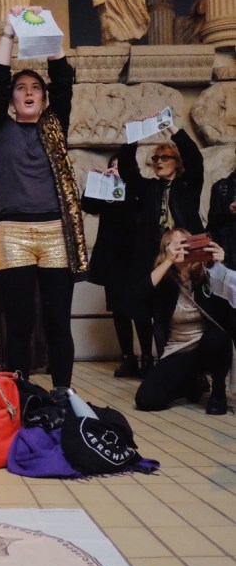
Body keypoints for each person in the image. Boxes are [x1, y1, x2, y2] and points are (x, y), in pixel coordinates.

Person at [0, 6, 87, 403]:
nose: (28, 92)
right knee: (20, 321)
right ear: (12, 99)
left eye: (35, 88)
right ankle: (19, 395)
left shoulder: (54, 126)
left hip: (55, 233)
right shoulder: (0, 128)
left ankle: (62, 394)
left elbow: (63, 82)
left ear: (43, 98)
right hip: (12, 234)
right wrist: (9, 35)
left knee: (58, 320)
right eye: (21, 88)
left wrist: (49, 34)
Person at [118, 120, 204, 376]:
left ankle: (196, 369)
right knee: (157, 312)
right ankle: (164, 365)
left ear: (176, 162)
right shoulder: (150, 188)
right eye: (155, 158)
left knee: (189, 308)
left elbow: (195, 158)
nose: (158, 162)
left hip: (187, 259)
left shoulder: (188, 185)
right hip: (155, 260)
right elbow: (127, 171)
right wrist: (133, 137)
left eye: (164, 157)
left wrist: (173, 129)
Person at [135, 228, 232, 415]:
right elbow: (139, 296)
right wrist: (168, 261)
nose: (180, 248)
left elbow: (228, 307)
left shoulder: (206, 273)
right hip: (179, 348)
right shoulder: (164, 280)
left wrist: (221, 266)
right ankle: (189, 382)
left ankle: (218, 392)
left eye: (185, 244)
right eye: (174, 245)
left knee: (217, 336)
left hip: (207, 345)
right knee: (146, 400)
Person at [81, 151, 145, 378]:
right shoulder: (106, 191)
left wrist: (124, 180)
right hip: (113, 260)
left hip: (136, 258)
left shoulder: (139, 188)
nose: (115, 170)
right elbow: (88, 206)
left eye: (120, 166)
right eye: (113, 166)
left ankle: (147, 358)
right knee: (119, 310)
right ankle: (127, 358)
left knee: (140, 309)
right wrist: (95, 182)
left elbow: (139, 208)